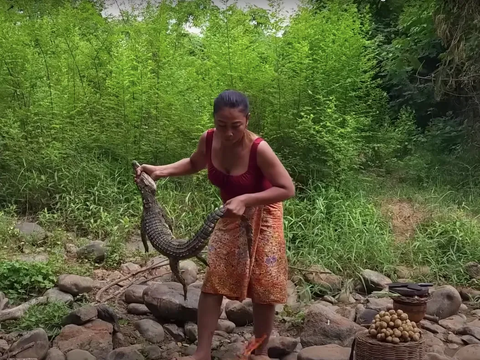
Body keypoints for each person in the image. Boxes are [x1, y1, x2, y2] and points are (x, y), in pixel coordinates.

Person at [135, 90, 295, 360]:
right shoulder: (208, 140)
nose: (229, 133)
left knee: (264, 286)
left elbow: (287, 188)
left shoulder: (259, 148)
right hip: (230, 213)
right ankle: (202, 352)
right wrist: (160, 170)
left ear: (247, 119)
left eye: (236, 126)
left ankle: (259, 353)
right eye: (222, 125)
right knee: (214, 280)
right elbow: (194, 163)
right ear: (214, 120)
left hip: (264, 214)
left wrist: (246, 198)